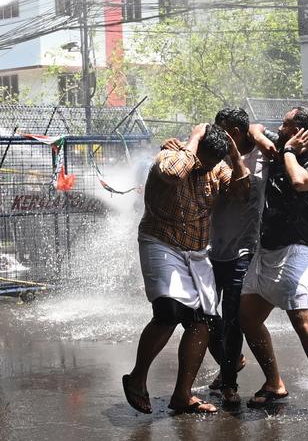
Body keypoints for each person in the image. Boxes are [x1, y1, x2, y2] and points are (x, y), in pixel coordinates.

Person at [123, 123, 251, 416]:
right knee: (168, 311)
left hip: (195, 251)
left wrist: (234, 156)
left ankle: (182, 395)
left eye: (211, 160)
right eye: (204, 157)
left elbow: (243, 193)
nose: (204, 165)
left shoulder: (217, 168)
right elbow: (172, 174)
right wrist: (194, 140)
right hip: (161, 241)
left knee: (201, 321)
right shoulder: (170, 156)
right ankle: (137, 377)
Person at [239, 106, 308, 419]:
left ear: (301, 132)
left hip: (297, 248)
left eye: (285, 125)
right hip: (268, 247)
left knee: (302, 322)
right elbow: (254, 128)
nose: (279, 127)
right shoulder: (281, 142)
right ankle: (274, 383)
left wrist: (285, 151)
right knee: (248, 318)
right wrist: (260, 136)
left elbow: (299, 182)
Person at [203, 107, 277, 408]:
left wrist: (258, 132)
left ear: (234, 132)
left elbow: (288, 147)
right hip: (208, 248)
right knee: (202, 317)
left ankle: (229, 384)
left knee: (233, 318)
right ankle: (229, 363)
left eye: (223, 132)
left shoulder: (262, 150)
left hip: (243, 250)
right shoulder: (213, 154)